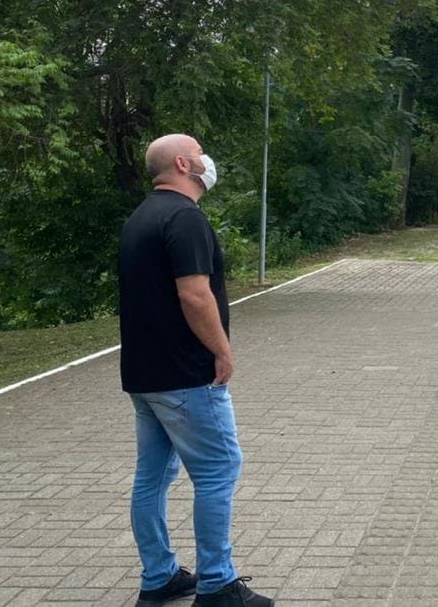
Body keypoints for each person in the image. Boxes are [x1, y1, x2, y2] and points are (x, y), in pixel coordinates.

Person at [118, 134, 274, 607]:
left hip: (145, 375)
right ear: (184, 165)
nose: (207, 158)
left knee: (152, 477)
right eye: (200, 151)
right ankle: (217, 585)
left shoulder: (141, 218)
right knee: (218, 470)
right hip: (186, 375)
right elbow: (194, 294)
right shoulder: (184, 218)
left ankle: (159, 578)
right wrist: (222, 351)